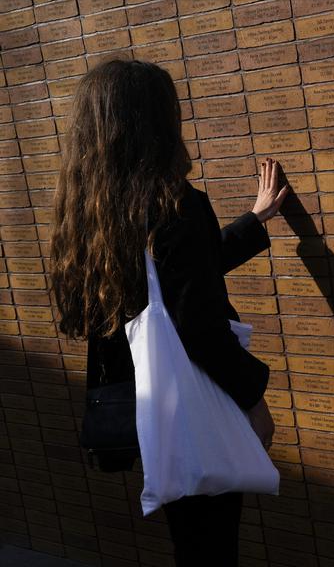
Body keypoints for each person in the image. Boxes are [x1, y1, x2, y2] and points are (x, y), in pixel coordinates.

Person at [48, 59, 289, 566]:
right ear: (156, 123)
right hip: (194, 400)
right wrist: (253, 397)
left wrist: (253, 220)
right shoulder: (174, 203)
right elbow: (196, 322)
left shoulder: (92, 209)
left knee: (192, 541)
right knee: (211, 543)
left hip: (145, 403)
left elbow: (178, 280)